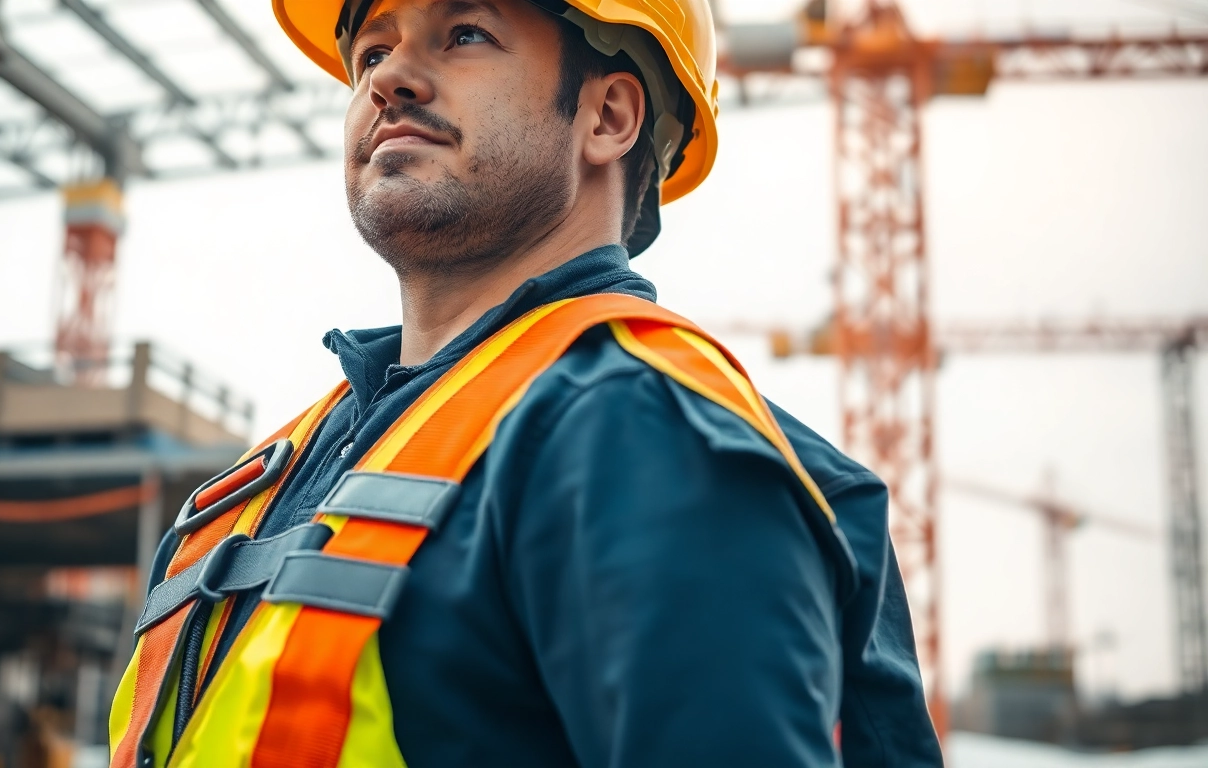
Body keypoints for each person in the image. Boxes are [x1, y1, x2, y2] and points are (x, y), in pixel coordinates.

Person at [108, 0, 945, 765]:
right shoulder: (265, 479)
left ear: (607, 117)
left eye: (465, 34)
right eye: (372, 53)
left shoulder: (641, 432)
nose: (389, 80)